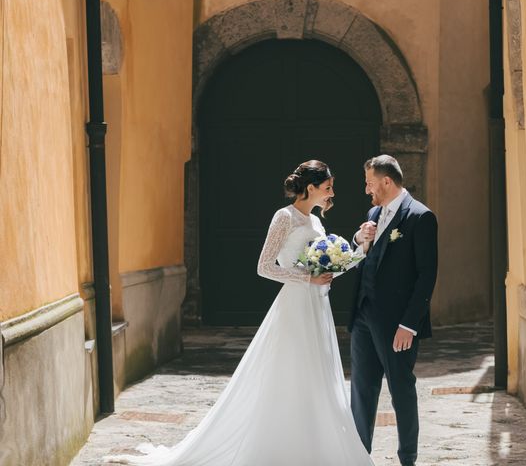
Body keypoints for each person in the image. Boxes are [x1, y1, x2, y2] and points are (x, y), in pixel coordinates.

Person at [103, 160, 374, 465]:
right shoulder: (284, 218)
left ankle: (314, 446)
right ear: (310, 188)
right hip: (295, 306)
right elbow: (264, 266)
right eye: (327, 187)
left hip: (317, 307)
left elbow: (328, 271)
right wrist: (306, 279)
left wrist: (360, 249)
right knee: (291, 375)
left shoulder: (316, 223)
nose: (331, 193)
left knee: (318, 377)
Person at [350, 154, 438, 466]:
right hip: (363, 315)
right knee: (361, 387)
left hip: (396, 323)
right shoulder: (374, 212)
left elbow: (427, 275)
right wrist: (361, 238)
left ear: (386, 181)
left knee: (401, 388)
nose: (366, 190)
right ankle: (360, 454)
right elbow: (365, 253)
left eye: (369, 183)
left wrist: (409, 325)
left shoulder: (420, 217)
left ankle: (407, 458)